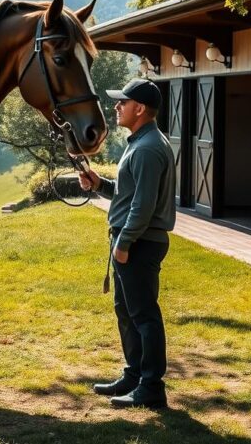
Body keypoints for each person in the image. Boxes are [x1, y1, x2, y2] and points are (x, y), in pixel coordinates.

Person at [79, 78, 176, 409]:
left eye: (123, 102)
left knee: (144, 315)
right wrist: (99, 184)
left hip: (138, 242)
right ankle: (134, 376)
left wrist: (125, 242)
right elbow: (129, 193)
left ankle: (151, 387)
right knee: (127, 311)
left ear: (141, 109)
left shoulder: (148, 148)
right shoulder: (140, 142)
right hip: (131, 239)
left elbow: (143, 205)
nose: (116, 106)